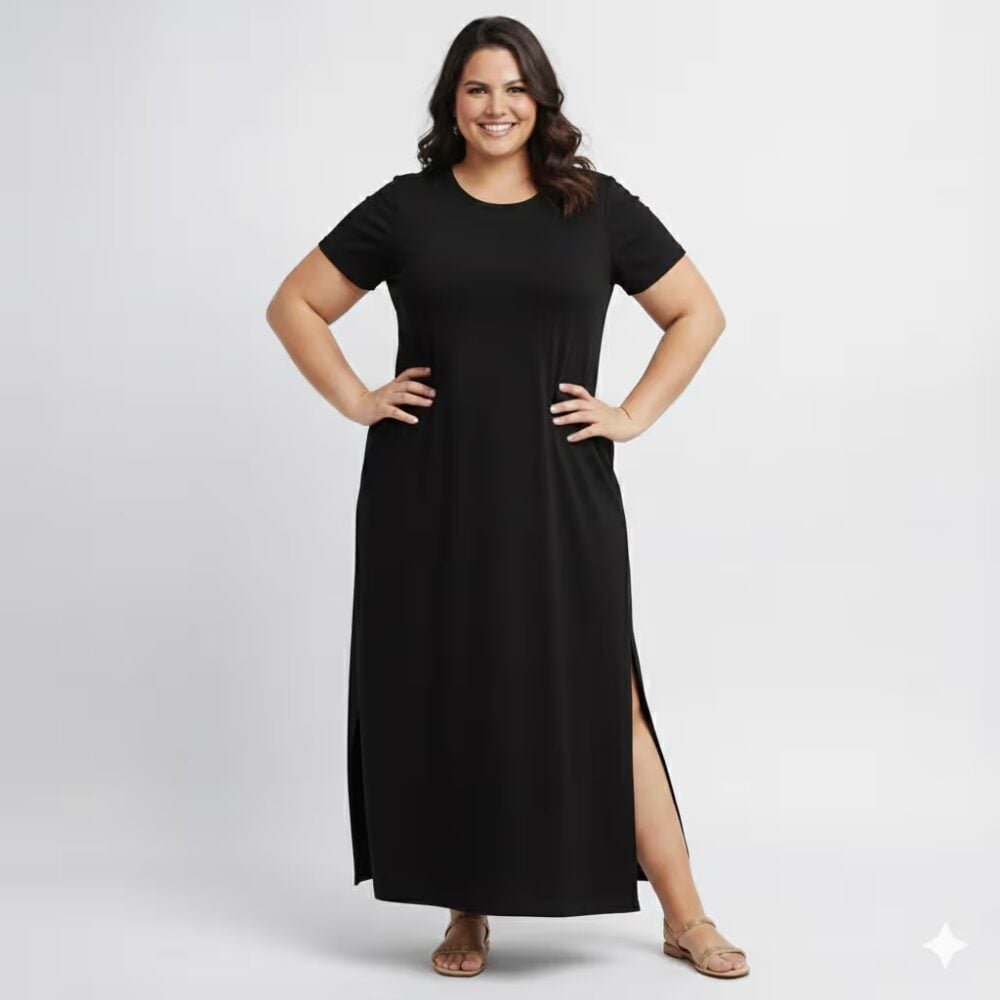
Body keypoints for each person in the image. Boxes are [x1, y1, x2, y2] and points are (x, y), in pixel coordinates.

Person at [266, 15, 748, 981]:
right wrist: (359, 399)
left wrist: (632, 414)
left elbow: (698, 312)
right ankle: (466, 912)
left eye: (515, 88)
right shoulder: (406, 209)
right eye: (478, 89)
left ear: (542, 100)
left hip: (560, 490)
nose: (497, 107)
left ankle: (686, 915)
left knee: (608, 699)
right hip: (427, 492)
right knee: (458, 691)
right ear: (452, 102)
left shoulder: (596, 208)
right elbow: (296, 305)